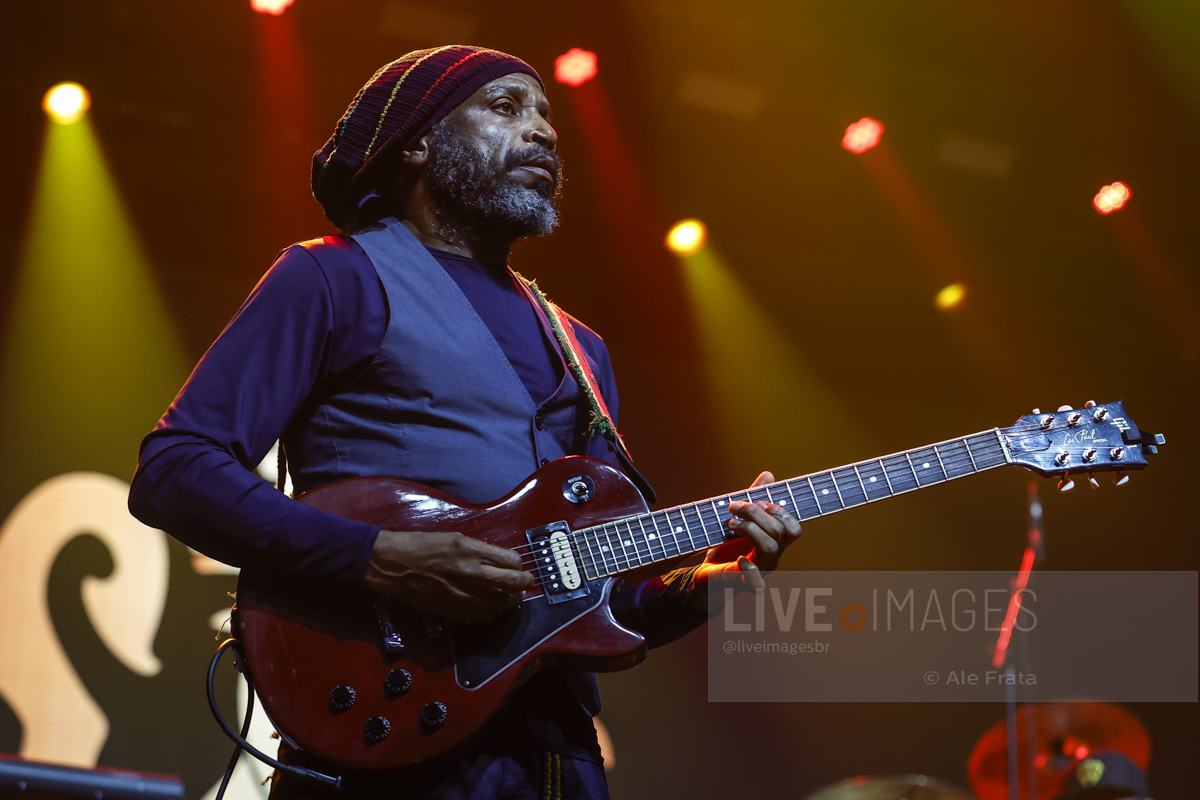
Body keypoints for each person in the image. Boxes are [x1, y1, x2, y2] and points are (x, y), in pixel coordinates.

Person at [128, 45, 802, 799]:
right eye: (507, 108)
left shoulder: (581, 348)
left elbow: (593, 602)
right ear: (416, 144)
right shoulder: (333, 275)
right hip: (382, 736)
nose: (544, 132)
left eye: (546, 115)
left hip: (556, 753)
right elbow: (174, 471)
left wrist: (709, 586)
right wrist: (377, 556)